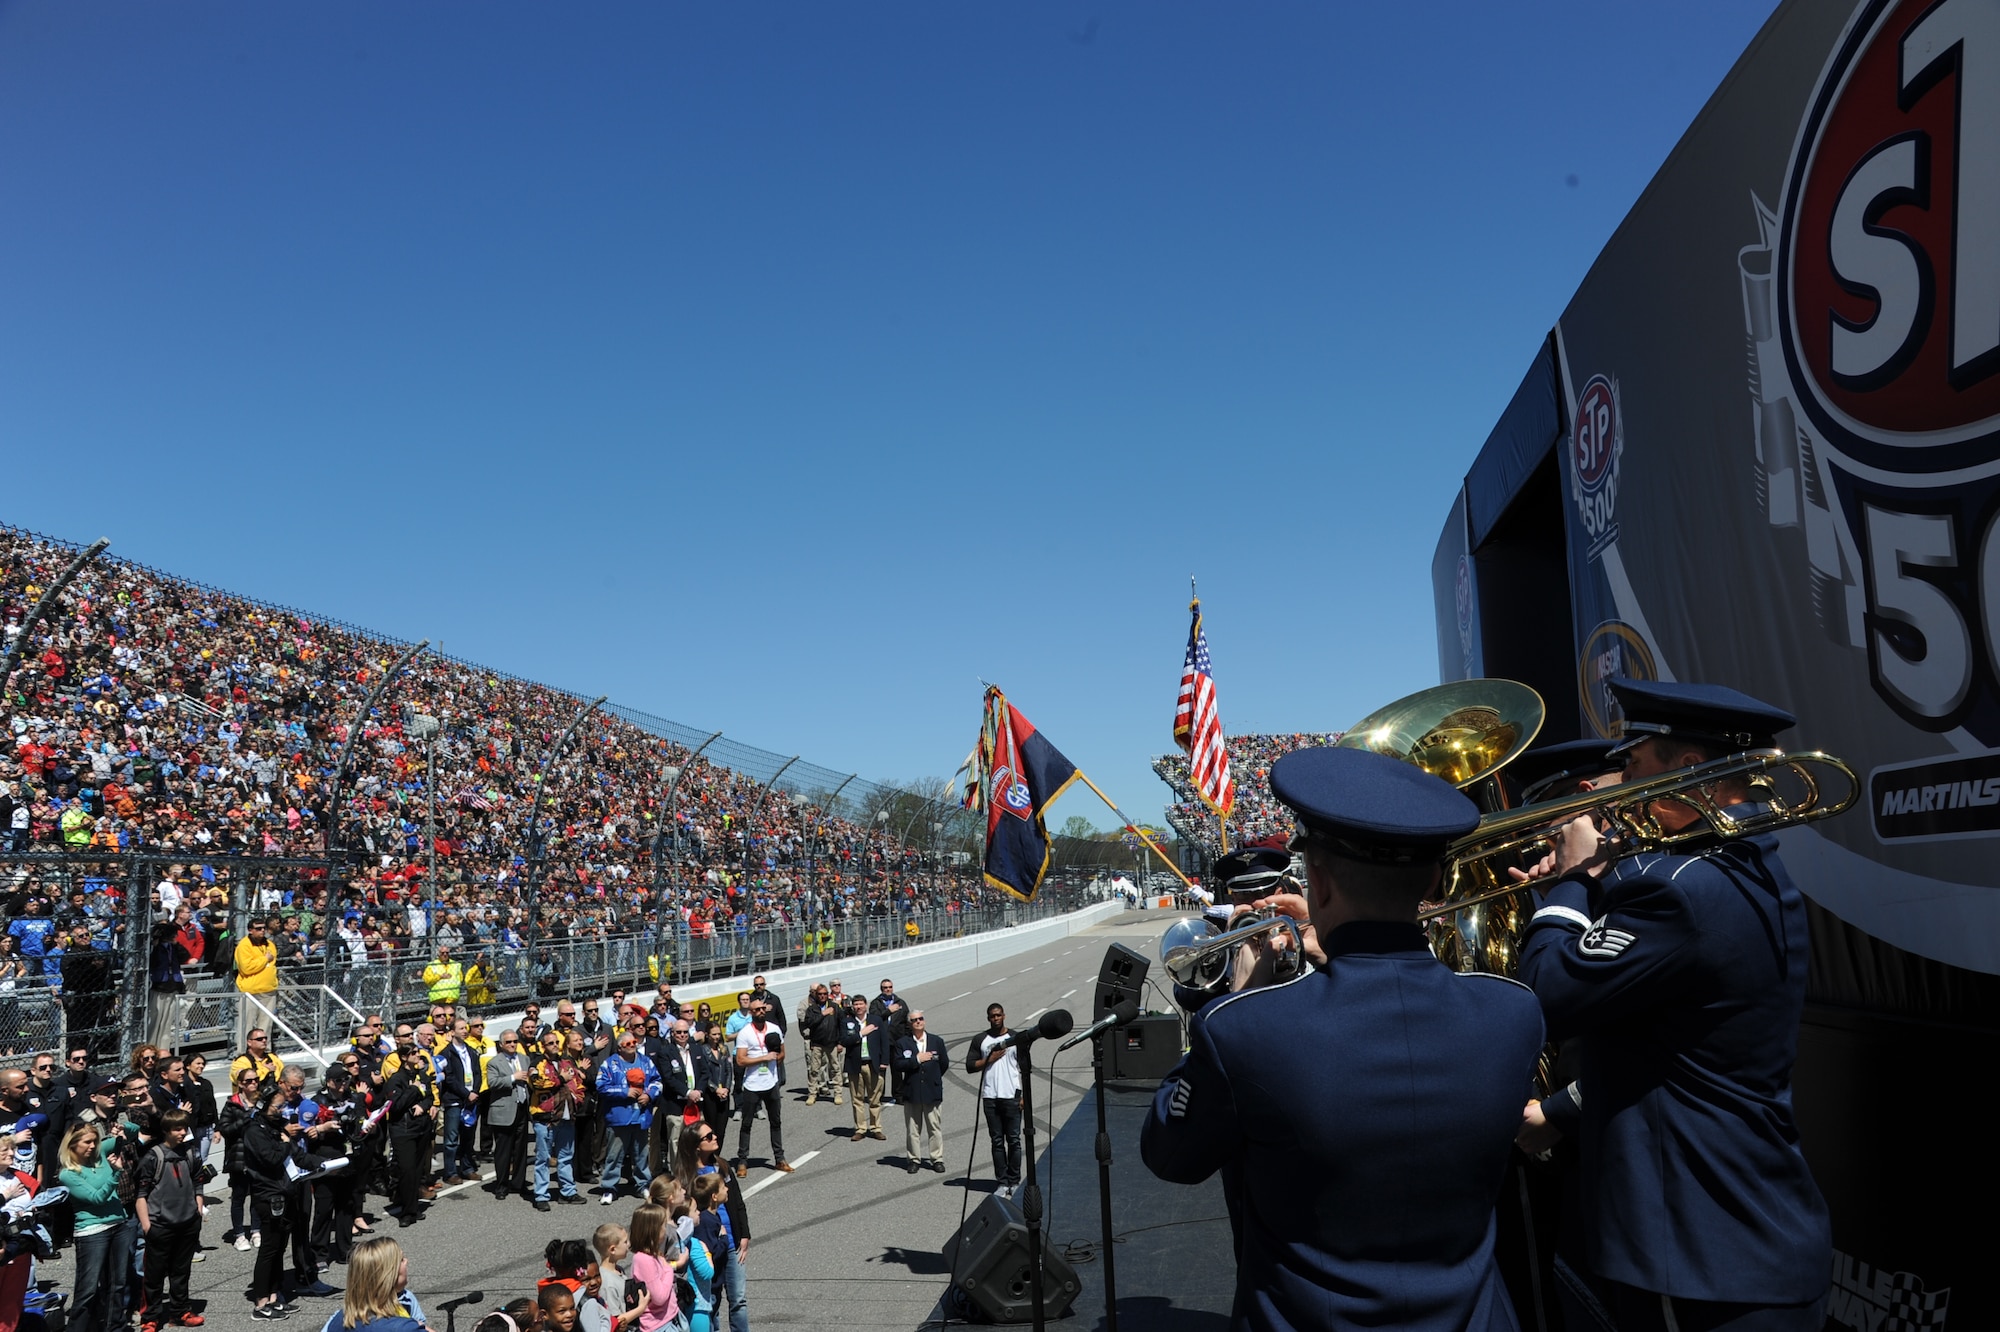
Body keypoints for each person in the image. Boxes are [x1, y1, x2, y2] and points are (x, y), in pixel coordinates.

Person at [1140, 745, 1545, 1331]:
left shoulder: (1242, 1028)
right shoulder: (1514, 1012)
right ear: (1433, 878)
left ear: (1319, 883)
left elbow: (1170, 1155)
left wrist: (1236, 996)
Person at [1515, 680, 1832, 1331]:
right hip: (1738, 1243)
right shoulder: (1737, 866)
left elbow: (1549, 994)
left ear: (1689, 774)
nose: (1622, 776)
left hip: (1701, 1257)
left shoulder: (1679, 890)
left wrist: (1572, 883)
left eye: (1635, 763)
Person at [135, 1108, 207, 1331]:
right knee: (154, 1277)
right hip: (160, 1225)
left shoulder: (191, 1153)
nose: (182, 1132)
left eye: (184, 1128)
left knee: (181, 1272)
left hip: (187, 1223)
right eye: (177, 1129)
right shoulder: (153, 1156)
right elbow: (141, 1195)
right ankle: (150, 1318)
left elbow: (198, 1182)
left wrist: (198, 1210)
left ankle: (180, 1311)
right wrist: (147, 1226)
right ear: (166, 1130)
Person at [59, 1120, 134, 1332]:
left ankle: (114, 1328)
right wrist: (116, 1173)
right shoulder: (69, 1173)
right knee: (88, 1289)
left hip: (118, 1224)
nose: (93, 1146)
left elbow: (134, 1134)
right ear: (72, 1144)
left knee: (117, 1285)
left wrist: (123, 1128)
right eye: (87, 1142)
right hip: (92, 1232)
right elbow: (97, 1198)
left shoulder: (99, 1154)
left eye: (95, 1141)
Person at [243, 1088, 304, 1320]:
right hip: (267, 1196)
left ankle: (274, 1296)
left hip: (285, 1191)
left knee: (280, 1248)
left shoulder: (276, 1126)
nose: (280, 1112)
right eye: (276, 1107)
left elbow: (294, 1152)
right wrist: (286, 1142)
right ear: (263, 1105)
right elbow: (271, 1157)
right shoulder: (253, 1130)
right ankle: (260, 1303)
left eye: (282, 1107)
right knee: (269, 1249)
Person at [595, 1029, 659, 1203]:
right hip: (619, 1117)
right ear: (620, 1047)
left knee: (641, 1154)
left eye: (634, 1043)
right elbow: (601, 1086)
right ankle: (609, 1187)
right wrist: (624, 1092)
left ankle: (643, 1185)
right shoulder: (610, 1064)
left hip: (641, 1115)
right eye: (628, 1044)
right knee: (614, 1154)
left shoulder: (646, 1062)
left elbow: (657, 1081)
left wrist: (650, 1095)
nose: (632, 1046)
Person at [729, 999, 791, 1176]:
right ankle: (742, 1161)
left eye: (763, 1008)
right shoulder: (745, 1032)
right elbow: (740, 1060)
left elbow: (782, 1054)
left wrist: (776, 1057)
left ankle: (779, 1159)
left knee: (776, 1122)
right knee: (746, 1123)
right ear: (751, 1012)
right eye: (757, 1009)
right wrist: (763, 1059)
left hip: (771, 1083)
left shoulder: (774, 1029)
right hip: (752, 1084)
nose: (761, 1011)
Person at [966, 1003, 1022, 1197]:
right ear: (988, 1018)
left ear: (1004, 1016)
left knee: (1014, 1140)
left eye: (998, 1015)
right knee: (997, 1142)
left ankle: (1015, 1181)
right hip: (990, 1097)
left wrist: (1024, 1096)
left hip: (1012, 1096)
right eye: (992, 1016)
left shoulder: (1015, 1038)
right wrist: (989, 1059)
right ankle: (1002, 1182)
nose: (996, 1018)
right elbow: (970, 1065)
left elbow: (1025, 1067)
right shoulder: (981, 1039)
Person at [528, 1028, 584, 1210]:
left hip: (567, 1117)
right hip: (546, 1119)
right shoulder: (537, 1063)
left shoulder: (566, 1063)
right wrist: (560, 1078)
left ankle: (568, 1192)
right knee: (543, 1159)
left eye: (556, 1043)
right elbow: (537, 1084)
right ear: (543, 1046)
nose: (554, 1046)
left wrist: (579, 1098)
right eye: (550, 1043)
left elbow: (578, 1084)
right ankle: (541, 1195)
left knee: (566, 1157)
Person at [891, 1010, 947, 1175]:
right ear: (910, 1024)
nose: (918, 1022)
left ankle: (937, 1159)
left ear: (924, 1021)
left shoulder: (936, 1041)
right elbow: (898, 1064)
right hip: (912, 1091)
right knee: (913, 1129)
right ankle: (914, 1159)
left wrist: (933, 1078)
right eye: (914, 1020)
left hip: (932, 1091)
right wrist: (916, 1060)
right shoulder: (903, 1043)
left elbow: (943, 1063)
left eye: (920, 1019)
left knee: (934, 1128)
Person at [330, 1236, 426, 1332]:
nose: (406, 1261)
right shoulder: (404, 1328)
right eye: (401, 1260)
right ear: (387, 1275)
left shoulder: (339, 1318)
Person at [484, 1028, 532, 1199]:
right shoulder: (494, 1062)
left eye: (515, 1041)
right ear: (502, 1044)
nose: (512, 1044)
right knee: (503, 1151)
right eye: (509, 1042)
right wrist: (513, 1077)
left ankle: (518, 1183)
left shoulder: (524, 1058)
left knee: (521, 1149)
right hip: (504, 1111)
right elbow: (492, 1083)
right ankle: (502, 1185)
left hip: (521, 1108)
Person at [627, 1202, 685, 1332]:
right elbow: (659, 1297)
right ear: (652, 1230)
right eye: (663, 1225)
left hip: (668, 1319)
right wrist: (669, 1268)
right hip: (658, 1326)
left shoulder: (653, 1255)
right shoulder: (644, 1260)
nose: (666, 1229)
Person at [837, 995, 886, 1142]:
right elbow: (844, 1040)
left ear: (866, 1005)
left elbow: (884, 1040)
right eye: (855, 1004)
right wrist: (860, 1034)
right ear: (853, 1007)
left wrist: (884, 1061)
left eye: (861, 1004)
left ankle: (876, 1128)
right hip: (855, 1064)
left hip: (873, 1063)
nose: (858, 1007)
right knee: (857, 1098)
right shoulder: (847, 1022)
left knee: (874, 1098)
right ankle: (860, 1128)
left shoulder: (875, 1020)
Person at [234, 919, 280, 1048]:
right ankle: (243, 1051)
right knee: (246, 1024)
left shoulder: (270, 944)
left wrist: (264, 962)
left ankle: (265, 1050)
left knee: (266, 1024)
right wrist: (264, 959)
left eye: (263, 928)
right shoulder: (244, 945)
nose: (262, 931)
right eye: (258, 928)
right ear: (250, 930)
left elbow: (271, 964)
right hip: (250, 991)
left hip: (268, 990)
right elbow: (246, 968)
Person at [797, 985, 838, 1105]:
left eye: (822, 992)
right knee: (813, 1066)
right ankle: (813, 1091)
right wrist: (823, 1014)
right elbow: (806, 1021)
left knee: (827, 1065)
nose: (819, 995)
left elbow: (838, 1021)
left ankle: (823, 1085)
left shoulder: (832, 1005)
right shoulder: (806, 1005)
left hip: (828, 1040)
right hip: (811, 1039)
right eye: (815, 992)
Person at [232, 1028, 285, 1093]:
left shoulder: (273, 1058)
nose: (264, 1040)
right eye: (259, 1039)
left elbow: (285, 1076)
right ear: (249, 1042)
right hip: (250, 1099)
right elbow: (244, 1079)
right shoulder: (241, 1061)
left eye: (265, 1038)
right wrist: (266, 1070)